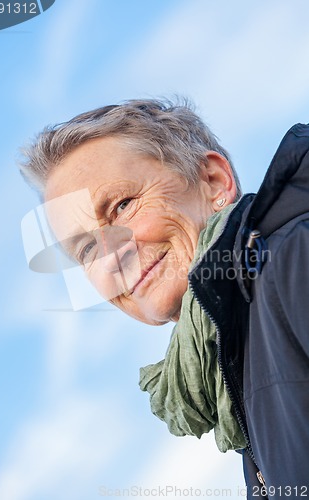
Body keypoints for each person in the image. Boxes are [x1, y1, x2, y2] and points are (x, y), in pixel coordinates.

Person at [20, 99, 309, 499]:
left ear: (213, 181)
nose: (111, 254)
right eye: (86, 249)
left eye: (122, 205)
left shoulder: (295, 262)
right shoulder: (231, 363)